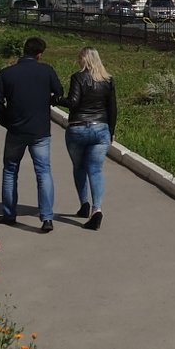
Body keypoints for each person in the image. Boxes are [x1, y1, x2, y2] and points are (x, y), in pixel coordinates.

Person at [0, 36, 64, 232]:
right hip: (40, 131)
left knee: (10, 170)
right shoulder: (46, 71)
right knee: (43, 172)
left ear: (23, 51)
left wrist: (5, 121)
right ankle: (47, 218)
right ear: (40, 54)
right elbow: (59, 92)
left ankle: (9, 214)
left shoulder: (7, 73)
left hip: (15, 130)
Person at [62, 47, 117, 230]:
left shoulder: (78, 77)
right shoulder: (108, 80)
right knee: (95, 170)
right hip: (101, 129)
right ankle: (97, 209)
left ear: (83, 60)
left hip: (78, 128)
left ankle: (83, 204)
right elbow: (112, 108)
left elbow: (73, 102)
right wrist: (111, 130)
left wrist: (55, 99)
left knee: (79, 167)